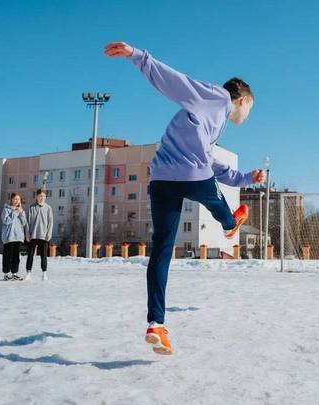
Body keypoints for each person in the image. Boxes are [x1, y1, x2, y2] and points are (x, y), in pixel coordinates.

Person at [104, 41, 266, 355]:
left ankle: (156, 324)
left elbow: (213, 163)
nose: (248, 115)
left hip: (162, 180)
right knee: (217, 202)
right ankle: (231, 224)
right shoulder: (217, 97)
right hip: (191, 177)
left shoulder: (210, 121)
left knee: (162, 251)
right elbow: (174, 81)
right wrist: (139, 56)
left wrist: (247, 177)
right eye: (250, 108)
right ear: (243, 100)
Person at [25, 188, 53, 282]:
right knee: (30, 255)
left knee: (44, 255)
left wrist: (49, 233)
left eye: (44, 196)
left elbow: (50, 222)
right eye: (40, 196)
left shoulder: (48, 208)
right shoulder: (31, 207)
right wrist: (27, 234)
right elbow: (27, 222)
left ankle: (44, 273)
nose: (42, 198)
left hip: (44, 236)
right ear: (36, 197)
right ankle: (28, 273)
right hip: (33, 236)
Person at [1, 193, 28, 281]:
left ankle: (14, 273)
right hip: (9, 237)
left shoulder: (20, 211)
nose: (17, 201)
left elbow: (24, 223)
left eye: (18, 199)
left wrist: (21, 213)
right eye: (15, 199)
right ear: (11, 200)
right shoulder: (6, 210)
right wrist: (14, 212)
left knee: (16, 257)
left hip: (18, 237)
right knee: (7, 256)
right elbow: (6, 221)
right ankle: (6, 274)